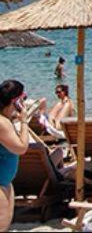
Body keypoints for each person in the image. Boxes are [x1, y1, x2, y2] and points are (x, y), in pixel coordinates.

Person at [0, 80, 32, 232]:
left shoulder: (5, 120)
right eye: (23, 98)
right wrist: (24, 121)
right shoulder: (2, 123)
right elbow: (21, 148)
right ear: (16, 101)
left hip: (5, 181)